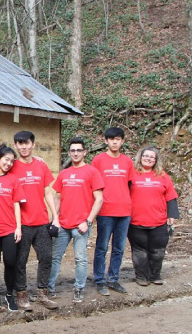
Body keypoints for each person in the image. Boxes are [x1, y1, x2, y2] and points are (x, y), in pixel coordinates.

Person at [48, 137, 104, 303]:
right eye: (73, 150)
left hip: (81, 226)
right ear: (69, 153)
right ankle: (48, 289)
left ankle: (79, 289)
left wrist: (87, 221)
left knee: (80, 259)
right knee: (55, 258)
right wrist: (54, 219)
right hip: (63, 224)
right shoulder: (64, 173)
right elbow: (57, 197)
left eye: (79, 150)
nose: (76, 153)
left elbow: (99, 199)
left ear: (84, 152)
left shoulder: (92, 172)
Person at [11, 130, 60, 311]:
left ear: (33, 144)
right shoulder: (12, 165)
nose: (23, 147)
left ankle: (42, 293)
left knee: (46, 257)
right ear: (15, 145)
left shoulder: (41, 166)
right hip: (22, 223)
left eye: (27, 143)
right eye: (20, 143)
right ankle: (21, 294)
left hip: (41, 221)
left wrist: (55, 217)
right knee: (20, 260)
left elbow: (48, 192)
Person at [91, 127, 135, 295]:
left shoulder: (127, 162)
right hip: (105, 210)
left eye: (118, 139)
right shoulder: (98, 160)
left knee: (119, 247)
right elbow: (93, 186)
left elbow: (130, 185)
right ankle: (100, 280)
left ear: (122, 141)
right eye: (111, 139)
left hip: (124, 211)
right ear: (106, 141)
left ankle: (113, 279)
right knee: (101, 247)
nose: (115, 142)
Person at [128, 146, 179, 285]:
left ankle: (155, 275)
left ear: (156, 160)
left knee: (157, 251)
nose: (148, 159)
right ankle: (142, 277)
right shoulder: (132, 175)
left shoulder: (163, 176)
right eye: (146, 156)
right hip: (135, 221)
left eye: (152, 157)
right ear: (140, 157)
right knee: (139, 251)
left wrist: (172, 215)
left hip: (159, 221)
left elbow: (171, 196)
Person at [0, 144, 25, 312]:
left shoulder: (13, 180)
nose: (8, 164)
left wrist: (18, 227)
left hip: (9, 228)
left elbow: (17, 205)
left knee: (10, 262)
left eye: (11, 161)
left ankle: (9, 294)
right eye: (6, 160)